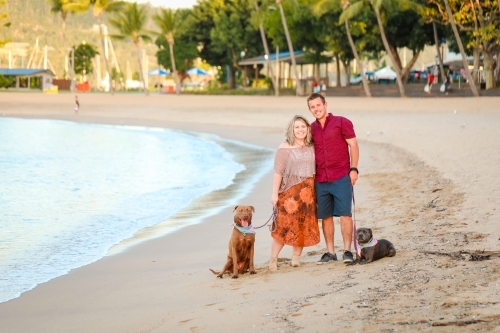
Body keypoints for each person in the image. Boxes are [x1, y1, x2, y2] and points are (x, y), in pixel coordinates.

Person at [307, 93, 359, 264]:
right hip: (321, 179)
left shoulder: (342, 122)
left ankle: (347, 251)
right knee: (326, 216)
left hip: (341, 175)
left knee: (345, 214)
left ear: (325, 104)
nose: (316, 109)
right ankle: (330, 252)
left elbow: (353, 145)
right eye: (312, 107)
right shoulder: (311, 129)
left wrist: (354, 169)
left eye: (318, 105)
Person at [269, 115, 320, 271]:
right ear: (292, 129)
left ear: (308, 128)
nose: (300, 130)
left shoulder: (312, 146)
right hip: (289, 194)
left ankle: (296, 258)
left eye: (303, 126)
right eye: (297, 127)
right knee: (283, 226)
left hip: (308, 194)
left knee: (302, 225)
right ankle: (273, 259)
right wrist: (274, 194)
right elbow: (278, 172)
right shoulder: (285, 147)